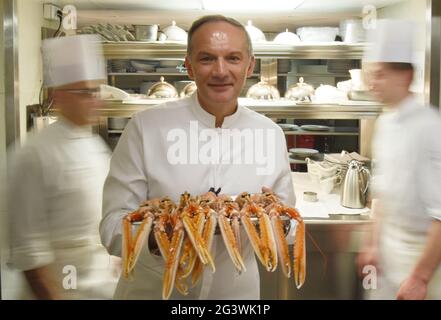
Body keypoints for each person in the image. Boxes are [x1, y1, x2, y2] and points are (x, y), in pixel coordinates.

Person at [100, 15, 295, 299]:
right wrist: (167, 232)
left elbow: (288, 227)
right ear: (189, 66)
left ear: (249, 66)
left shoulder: (270, 134)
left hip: (234, 297)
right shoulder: (145, 127)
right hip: (154, 292)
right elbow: (110, 227)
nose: (220, 71)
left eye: (233, 58)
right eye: (206, 59)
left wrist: (265, 220)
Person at [8, 34, 119, 299]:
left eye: (97, 90)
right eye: (85, 92)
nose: (96, 99)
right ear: (58, 96)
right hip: (61, 288)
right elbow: (29, 251)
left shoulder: (94, 145)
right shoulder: (33, 154)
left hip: (101, 286)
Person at [357, 19, 441, 300]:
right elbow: (381, 194)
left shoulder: (431, 126)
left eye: (379, 75)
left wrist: (420, 277)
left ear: (406, 76)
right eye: (370, 74)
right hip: (386, 249)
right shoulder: (385, 120)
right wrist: (372, 243)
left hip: (421, 256)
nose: (372, 83)